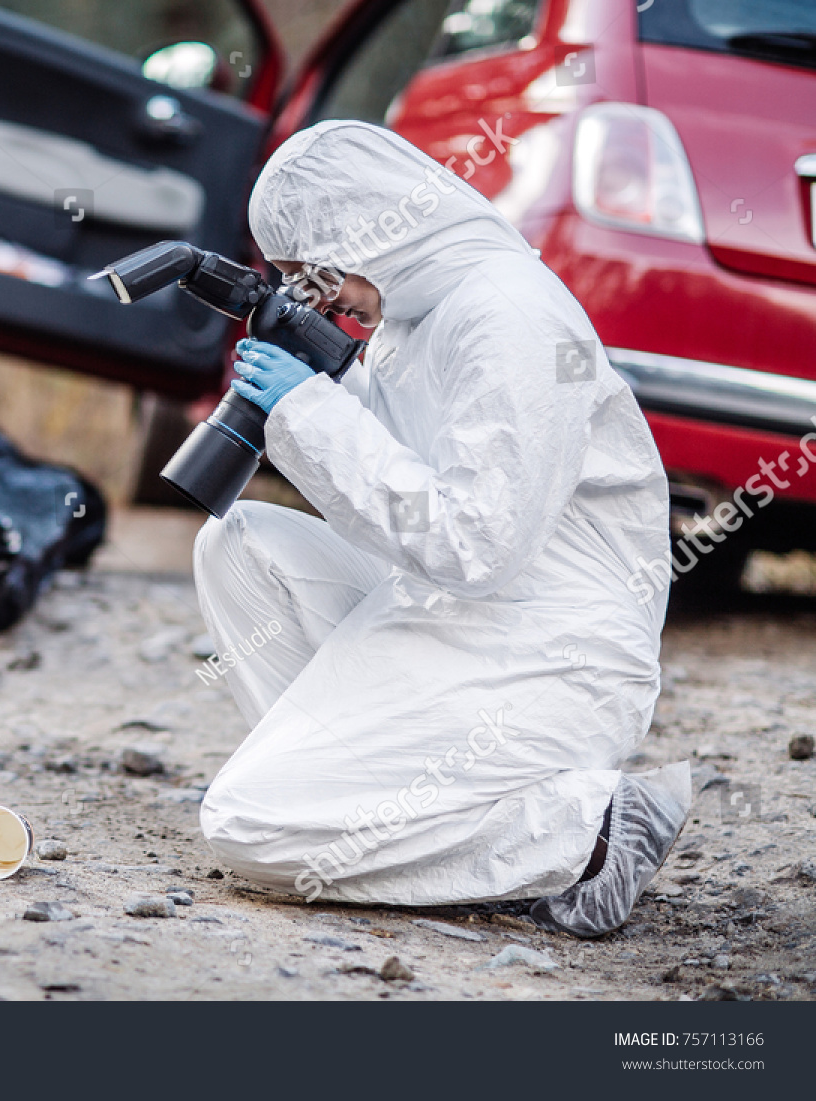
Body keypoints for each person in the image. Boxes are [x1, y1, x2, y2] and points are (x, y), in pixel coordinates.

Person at [194, 120, 691, 938]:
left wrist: (308, 410)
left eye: (313, 270)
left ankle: (588, 828)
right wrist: (320, 396)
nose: (316, 296)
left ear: (371, 228)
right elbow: (398, 486)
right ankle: (361, 800)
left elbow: (476, 542)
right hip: (462, 617)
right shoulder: (413, 320)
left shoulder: (511, 317)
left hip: (552, 652)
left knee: (248, 825)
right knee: (241, 545)